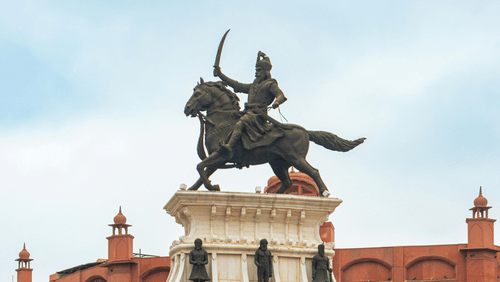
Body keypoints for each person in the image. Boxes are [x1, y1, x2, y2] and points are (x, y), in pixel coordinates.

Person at [213, 51, 287, 153]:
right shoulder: (252, 86)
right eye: (256, 70)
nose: (256, 73)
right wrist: (220, 75)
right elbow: (237, 85)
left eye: (259, 70)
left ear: (265, 72)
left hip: (258, 115)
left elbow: (281, 95)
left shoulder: (270, 84)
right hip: (248, 112)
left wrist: (277, 102)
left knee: (239, 124)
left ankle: (229, 146)